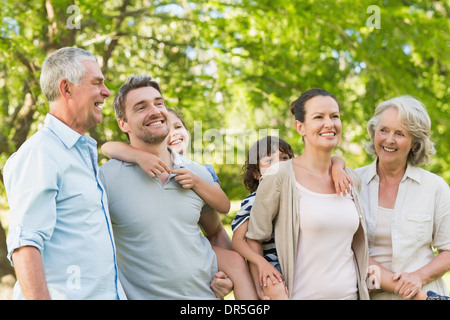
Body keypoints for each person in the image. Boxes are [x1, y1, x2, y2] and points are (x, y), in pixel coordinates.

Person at [3, 47, 124, 299]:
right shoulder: (40, 154)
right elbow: (25, 246)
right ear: (66, 89)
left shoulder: (81, 152)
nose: (107, 91)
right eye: (97, 83)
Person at [98, 75, 233, 299]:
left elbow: (216, 232)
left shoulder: (196, 174)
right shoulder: (105, 179)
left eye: (159, 103)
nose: (155, 111)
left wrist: (225, 275)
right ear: (123, 124)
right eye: (141, 107)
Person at [246, 88, 370, 300]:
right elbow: (255, 238)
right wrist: (261, 289)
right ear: (300, 127)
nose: (329, 123)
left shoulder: (351, 179)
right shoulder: (280, 176)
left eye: (335, 116)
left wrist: (338, 165)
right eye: (318, 117)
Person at [357, 96, 450, 300]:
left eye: (400, 133)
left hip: (423, 294)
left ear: (415, 143)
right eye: (384, 130)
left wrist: (417, 277)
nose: (389, 140)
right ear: (374, 133)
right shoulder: (354, 182)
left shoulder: (434, 187)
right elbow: (347, 247)